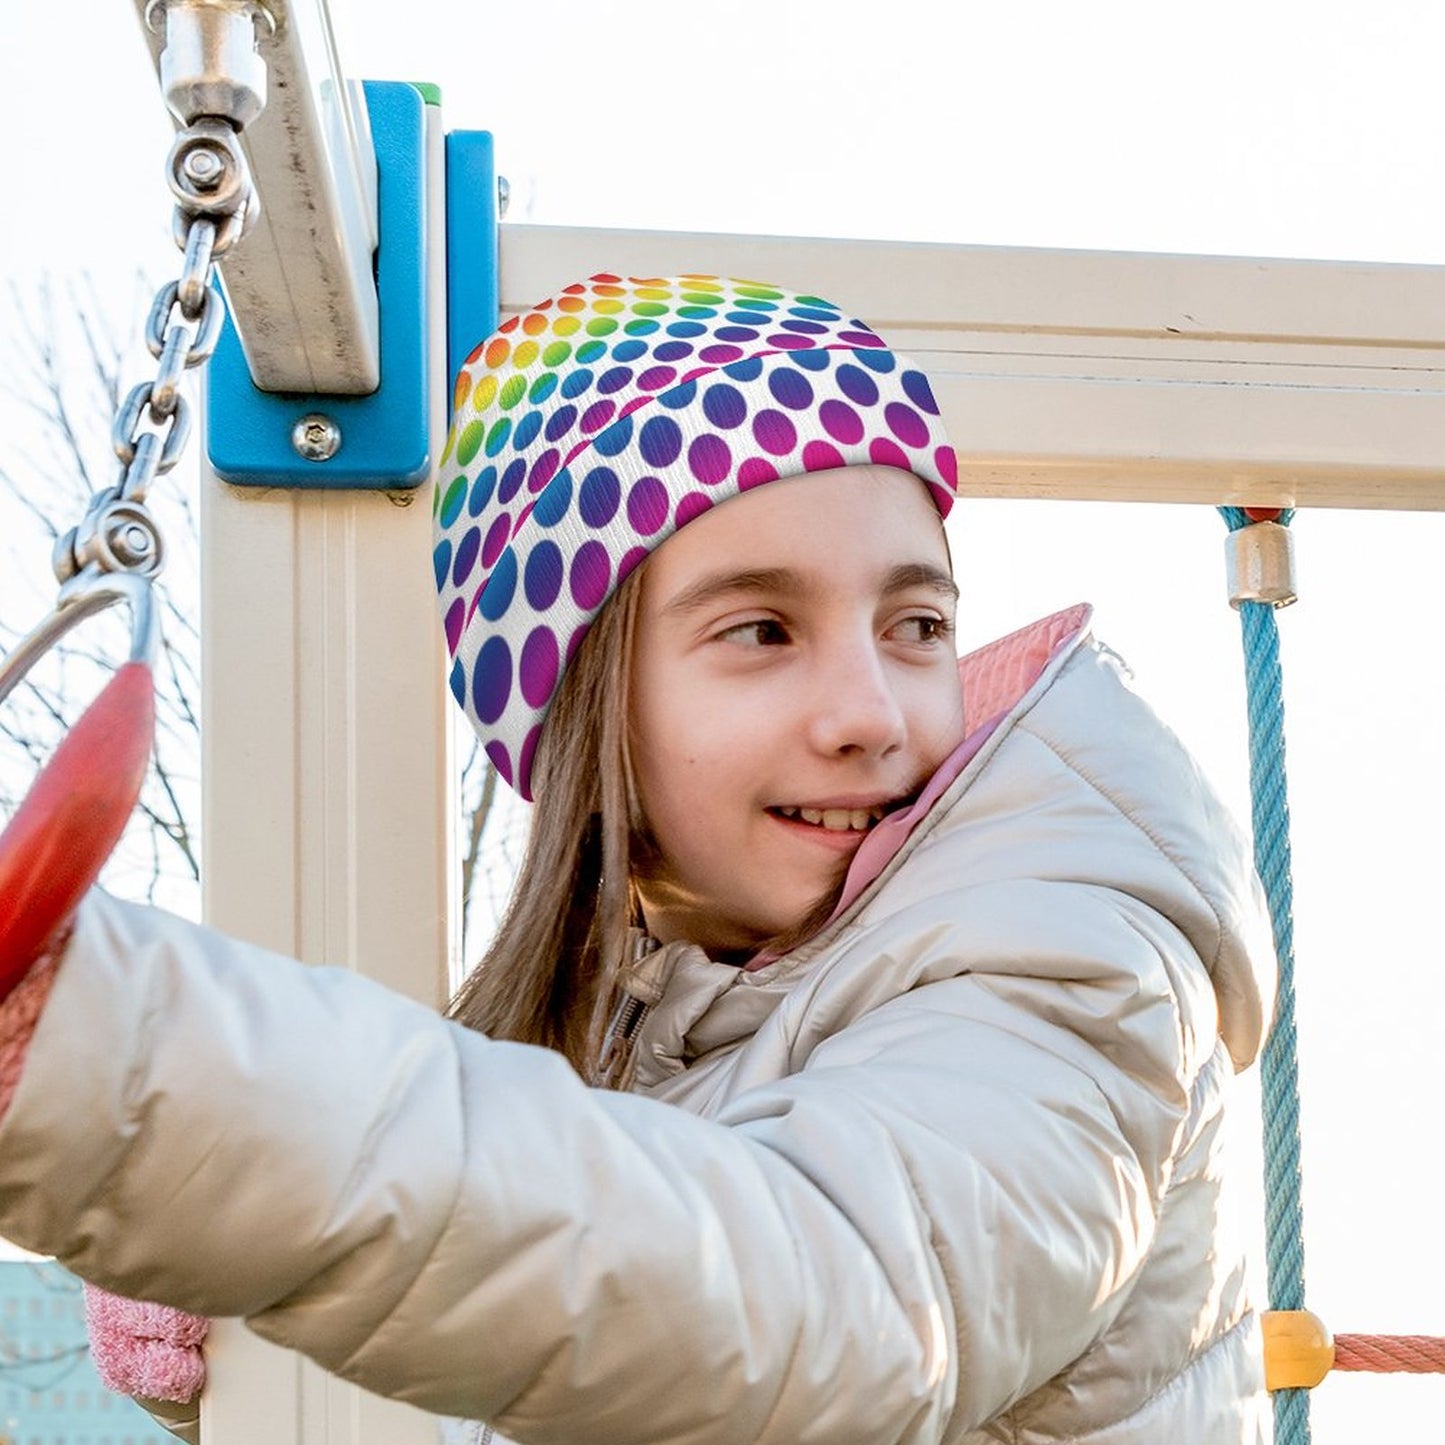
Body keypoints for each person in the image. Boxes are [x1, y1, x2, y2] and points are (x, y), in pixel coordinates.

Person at [0, 272, 1275, 1444]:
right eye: (763, 629)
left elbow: (811, 1303)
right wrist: (244, 1311)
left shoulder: (1064, 962)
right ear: (584, 709)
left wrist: (136, 1077)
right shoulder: (656, 1028)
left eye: (917, 622)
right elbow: (594, 1313)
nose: (871, 710)